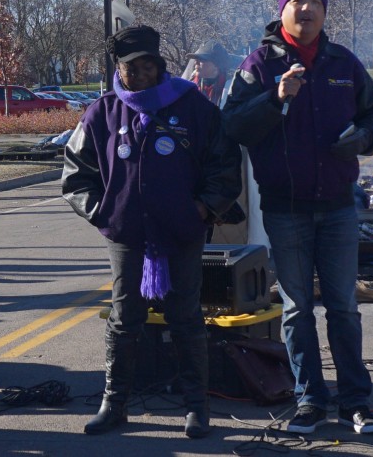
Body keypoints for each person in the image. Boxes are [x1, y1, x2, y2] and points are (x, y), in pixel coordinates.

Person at [223, 0, 373, 435]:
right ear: (282, 11)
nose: (307, 8)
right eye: (298, 0)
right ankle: (310, 401)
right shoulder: (257, 65)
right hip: (285, 208)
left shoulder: (344, 63)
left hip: (337, 207)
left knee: (343, 308)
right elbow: (232, 125)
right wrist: (274, 99)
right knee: (297, 309)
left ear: (325, 12)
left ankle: (355, 403)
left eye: (315, 0)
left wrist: (365, 138)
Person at [61, 25, 242, 437]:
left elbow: (225, 167)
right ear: (117, 70)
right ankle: (115, 403)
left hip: (181, 232)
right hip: (128, 236)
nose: (140, 75)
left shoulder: (193, 106)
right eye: (130, 68)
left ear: (160, 66)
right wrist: (105, 213)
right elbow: (75, 175)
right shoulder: (102, 112)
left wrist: (202, 209)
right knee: (125, 319)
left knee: (185, 316)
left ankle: (197, 407)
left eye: (148, 66)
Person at [185, 40, 231, 106]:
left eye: (202, 59)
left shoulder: (230, 89)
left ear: (216, 65)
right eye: (196, 59)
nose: (196, 62)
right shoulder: (190, 84)